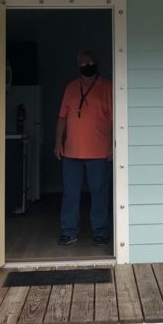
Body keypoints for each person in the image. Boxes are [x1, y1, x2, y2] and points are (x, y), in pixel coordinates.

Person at [54, 49, 113, 246]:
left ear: (97, 63)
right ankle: (69, 231)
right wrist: (57, 143)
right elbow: (62, 117)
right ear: (78, 66)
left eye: (90, 63)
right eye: (83, 64)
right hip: (71, 152)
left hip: (100, 151)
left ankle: (100, 232)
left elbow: (116, 119)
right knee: (70, 193)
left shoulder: (107, 87)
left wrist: (114, 146)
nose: (87, 67)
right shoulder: (71, 87)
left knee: (99, 194)